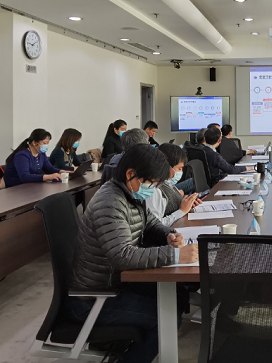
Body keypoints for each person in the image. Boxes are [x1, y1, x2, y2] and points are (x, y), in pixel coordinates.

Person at [66, 144, 197, 363]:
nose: (153, 189)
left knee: (178, 294)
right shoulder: (110, 203)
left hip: (116, 282)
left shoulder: (129, 192)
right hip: (93, 297)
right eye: (152, 183)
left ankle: (125, 346)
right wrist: (175, 255)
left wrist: (169, 235)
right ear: (130, 174)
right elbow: (123, 256)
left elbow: (150, 222)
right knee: (165, 318)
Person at [146, 144, 202, 227]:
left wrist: (188, 204)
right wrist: (182, 211)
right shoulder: (154, 190)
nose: (181, 172)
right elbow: (155, 225)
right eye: (179, 168)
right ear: (167, 167)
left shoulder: (167, 183)